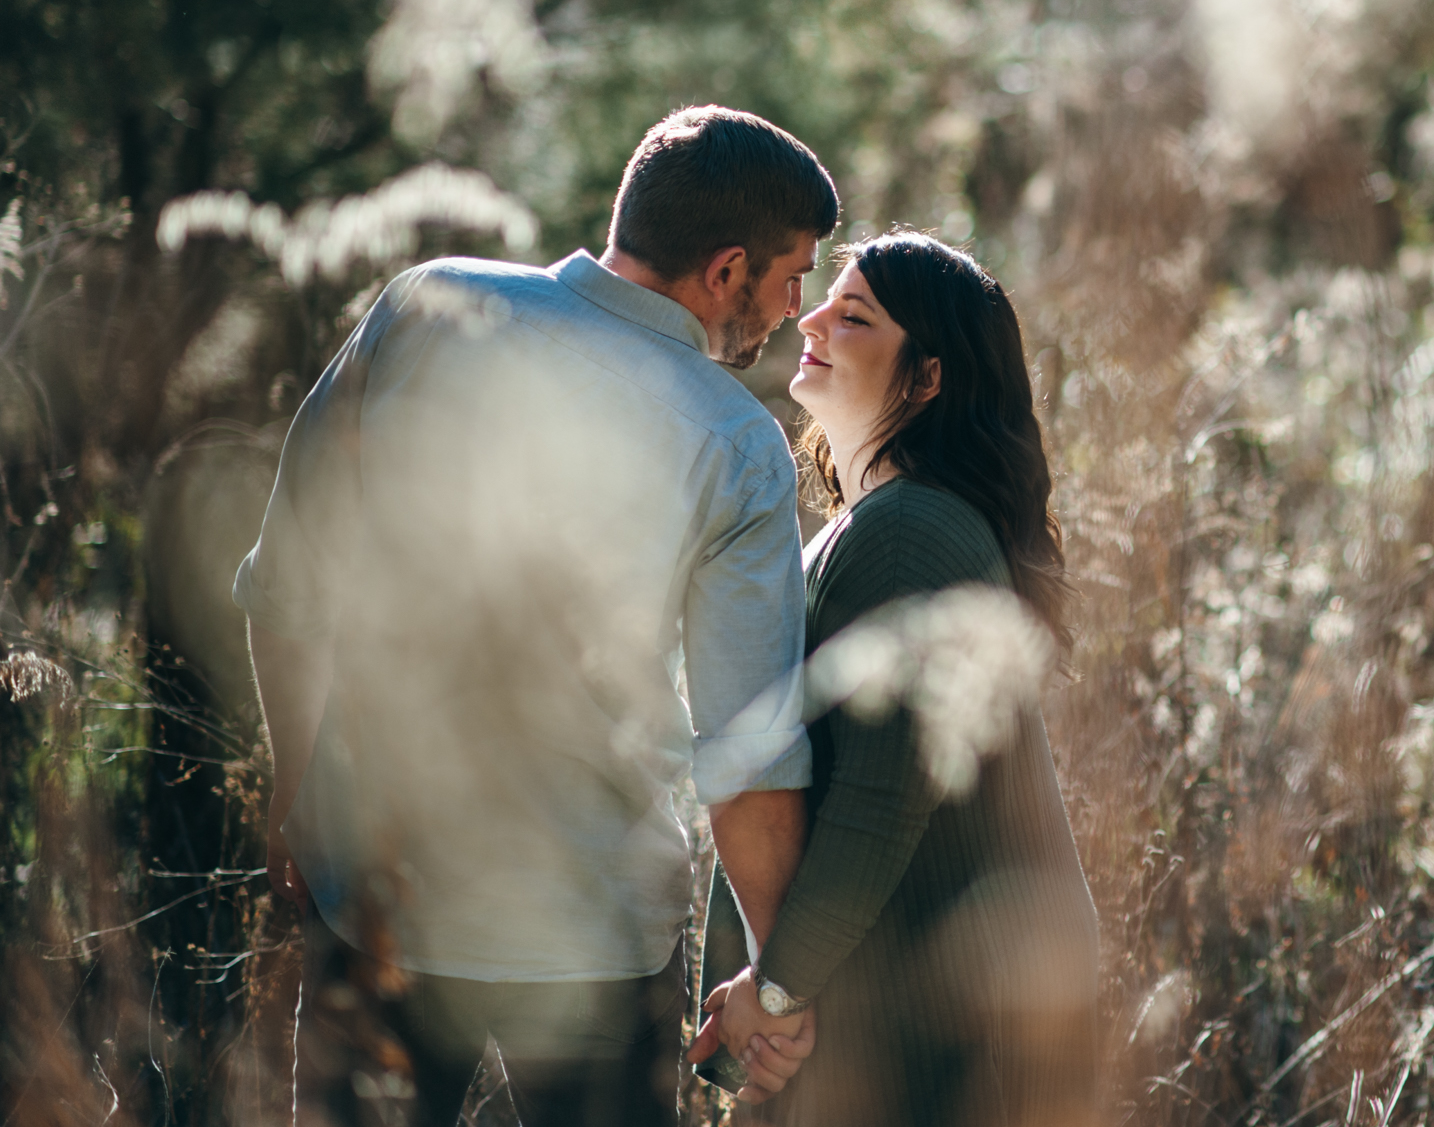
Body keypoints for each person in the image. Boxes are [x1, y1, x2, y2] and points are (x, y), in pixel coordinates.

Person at [238, 105, 835, 1127]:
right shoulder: (737, 440)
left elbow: (290, 585)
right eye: (792, 277)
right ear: (727, 269)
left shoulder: (424, 303)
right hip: (595, 941)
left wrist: (299, 788)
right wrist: (779, 986)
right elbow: (747, 753)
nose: (794, 309)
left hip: (379, 898)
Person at [686, 230, 1101, 1126]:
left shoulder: (909, 529)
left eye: (858, 313)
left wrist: (780, 989)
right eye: (828, 294)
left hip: (923, 1041)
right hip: (894, 1027)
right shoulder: (868, 524)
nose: (817, 315)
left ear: (927, 378)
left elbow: (879, 804)